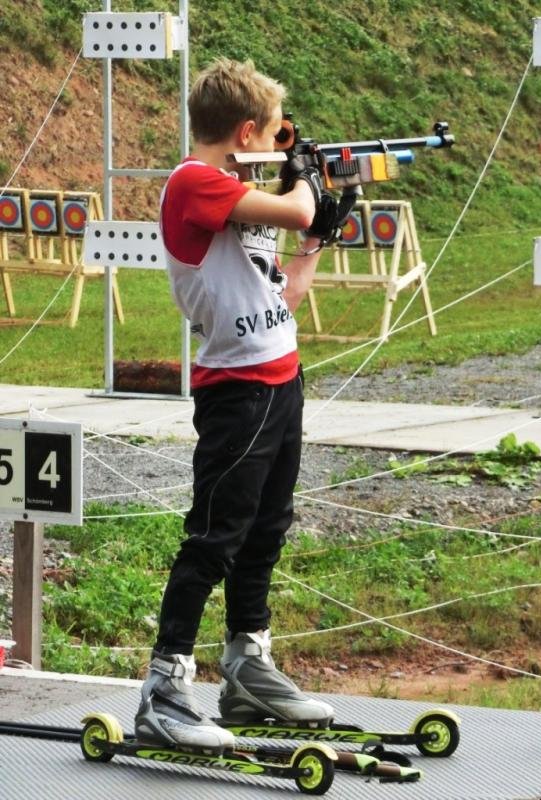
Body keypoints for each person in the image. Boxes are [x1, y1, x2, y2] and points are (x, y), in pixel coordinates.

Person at [135, 58, 351, 752]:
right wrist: (306, 178)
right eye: (272, 136)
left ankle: (247, 664)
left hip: (281, 378)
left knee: (266, 530)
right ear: (248, 131)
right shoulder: (194, 182)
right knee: (214, 539)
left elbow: (283, 297)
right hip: (237, 391)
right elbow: (297, 205)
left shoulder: (234, 198)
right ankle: (165, 687)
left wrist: (316, 241)